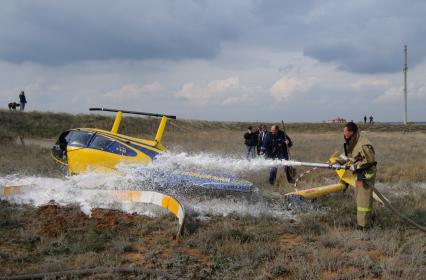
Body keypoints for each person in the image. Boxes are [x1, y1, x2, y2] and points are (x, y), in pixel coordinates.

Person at [335, 122, 377, 230]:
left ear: (351, 132)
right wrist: (339, 161)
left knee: (364, 199)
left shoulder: (363, 144)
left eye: (345, 132)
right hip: (360, 175)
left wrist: (354, 167)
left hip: (366, 175)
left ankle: (364, 226)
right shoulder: (354, 140)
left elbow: (369, 161)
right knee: (359, 197)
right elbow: (351, 155)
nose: (344, 134)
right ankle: (363, 221)